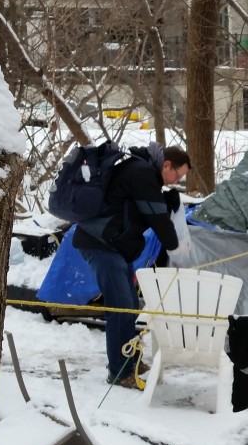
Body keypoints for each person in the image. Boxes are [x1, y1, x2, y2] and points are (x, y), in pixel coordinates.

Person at [74, 143, 191, 389]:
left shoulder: (143, 172)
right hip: (100, 243)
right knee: (121, 307)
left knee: (129, 303)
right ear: (166, 164)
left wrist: (165, 201)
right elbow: (155, 215)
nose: (176, 181)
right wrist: (175, 247)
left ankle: (130, 360)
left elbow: (139, 207)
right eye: (177, 175)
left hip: (114, 246)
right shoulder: (141, 172)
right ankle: (120, 371)